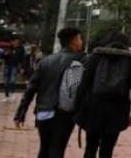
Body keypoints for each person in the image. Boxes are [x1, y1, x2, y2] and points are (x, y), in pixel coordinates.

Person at [14, 27, 85, 158]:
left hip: (43, 112)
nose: (81, 41)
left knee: (44, 148)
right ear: (74, 40)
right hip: (64, 113)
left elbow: (31, 88)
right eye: (80, 38)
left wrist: (20, 113)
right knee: (57, 149)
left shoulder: (46, 61)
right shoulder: (79, 62)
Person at [75, 32, 131, 158]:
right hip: (118, 110)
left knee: (90, 147)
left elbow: (84, 84)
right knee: (107, 148)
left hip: (94, 108)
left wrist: (77, 107)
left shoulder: (95, 57)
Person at [2, 36, 25, 102]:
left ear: (18, 41)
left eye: (15, 40)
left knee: (12, 81)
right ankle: (6, 96)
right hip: (7, 65)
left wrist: (22, 68)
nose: (14, 42)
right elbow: (3, 56)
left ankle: (12, 95)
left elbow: (22, 58)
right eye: (13, 40)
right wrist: (5, 54)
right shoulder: (9, 48)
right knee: (6, 81)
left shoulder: (21, 48)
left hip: (14, 66)